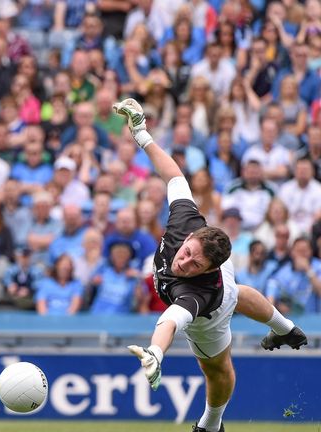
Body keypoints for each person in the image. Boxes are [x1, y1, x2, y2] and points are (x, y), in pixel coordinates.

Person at [114, 98, 307, 432]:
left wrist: (156, 354)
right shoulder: (184, 221)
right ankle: (285, 328)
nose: (183, 261)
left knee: (217, 369)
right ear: (189, 237)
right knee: (237, 291)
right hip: (222, 268)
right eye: (187, 252)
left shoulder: (197, 293)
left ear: (206, 270)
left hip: (212, 309)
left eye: (193, 263)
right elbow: (174, 175)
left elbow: (172, 319)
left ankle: (211, 424)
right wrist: (142, 135)